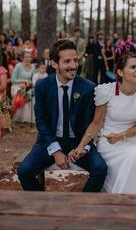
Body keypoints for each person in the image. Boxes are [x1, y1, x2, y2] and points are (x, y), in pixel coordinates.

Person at [17, 40, 108, 192]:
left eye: (75, 60)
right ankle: (44, 205)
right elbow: (41, 121)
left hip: (79, 141)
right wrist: (55, 150)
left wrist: (83, 147)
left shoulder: (88, 87)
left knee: (100, 169)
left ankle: (82, 207)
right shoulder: (42, 86)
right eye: (67, 61)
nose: (73, 65)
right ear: (54, 64)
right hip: (49, 140)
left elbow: (89, 123)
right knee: (24, 171)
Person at [72, 40, 136, 194]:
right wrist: (81, 146)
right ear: (119, 72)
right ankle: (127, 201)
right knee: (130, 159)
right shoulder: (106, 92)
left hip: (131, 140)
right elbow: (96, 123)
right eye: (133, 67)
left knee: (135, 155)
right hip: (108, 143)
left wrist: (121, 136)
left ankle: (124, 201)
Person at [11, 50, 36, 123]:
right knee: (22, 93)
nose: (28, 59)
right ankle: (20, 117)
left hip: (29, 86)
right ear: (22, 58)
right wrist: (22, 82)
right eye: (26, 57)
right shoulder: (18, 66)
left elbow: (34, 79)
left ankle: (29, 118)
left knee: (31, 93)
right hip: (18, 85)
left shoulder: (33, 67)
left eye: (30, 57)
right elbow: (13, 79)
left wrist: (30, 83)